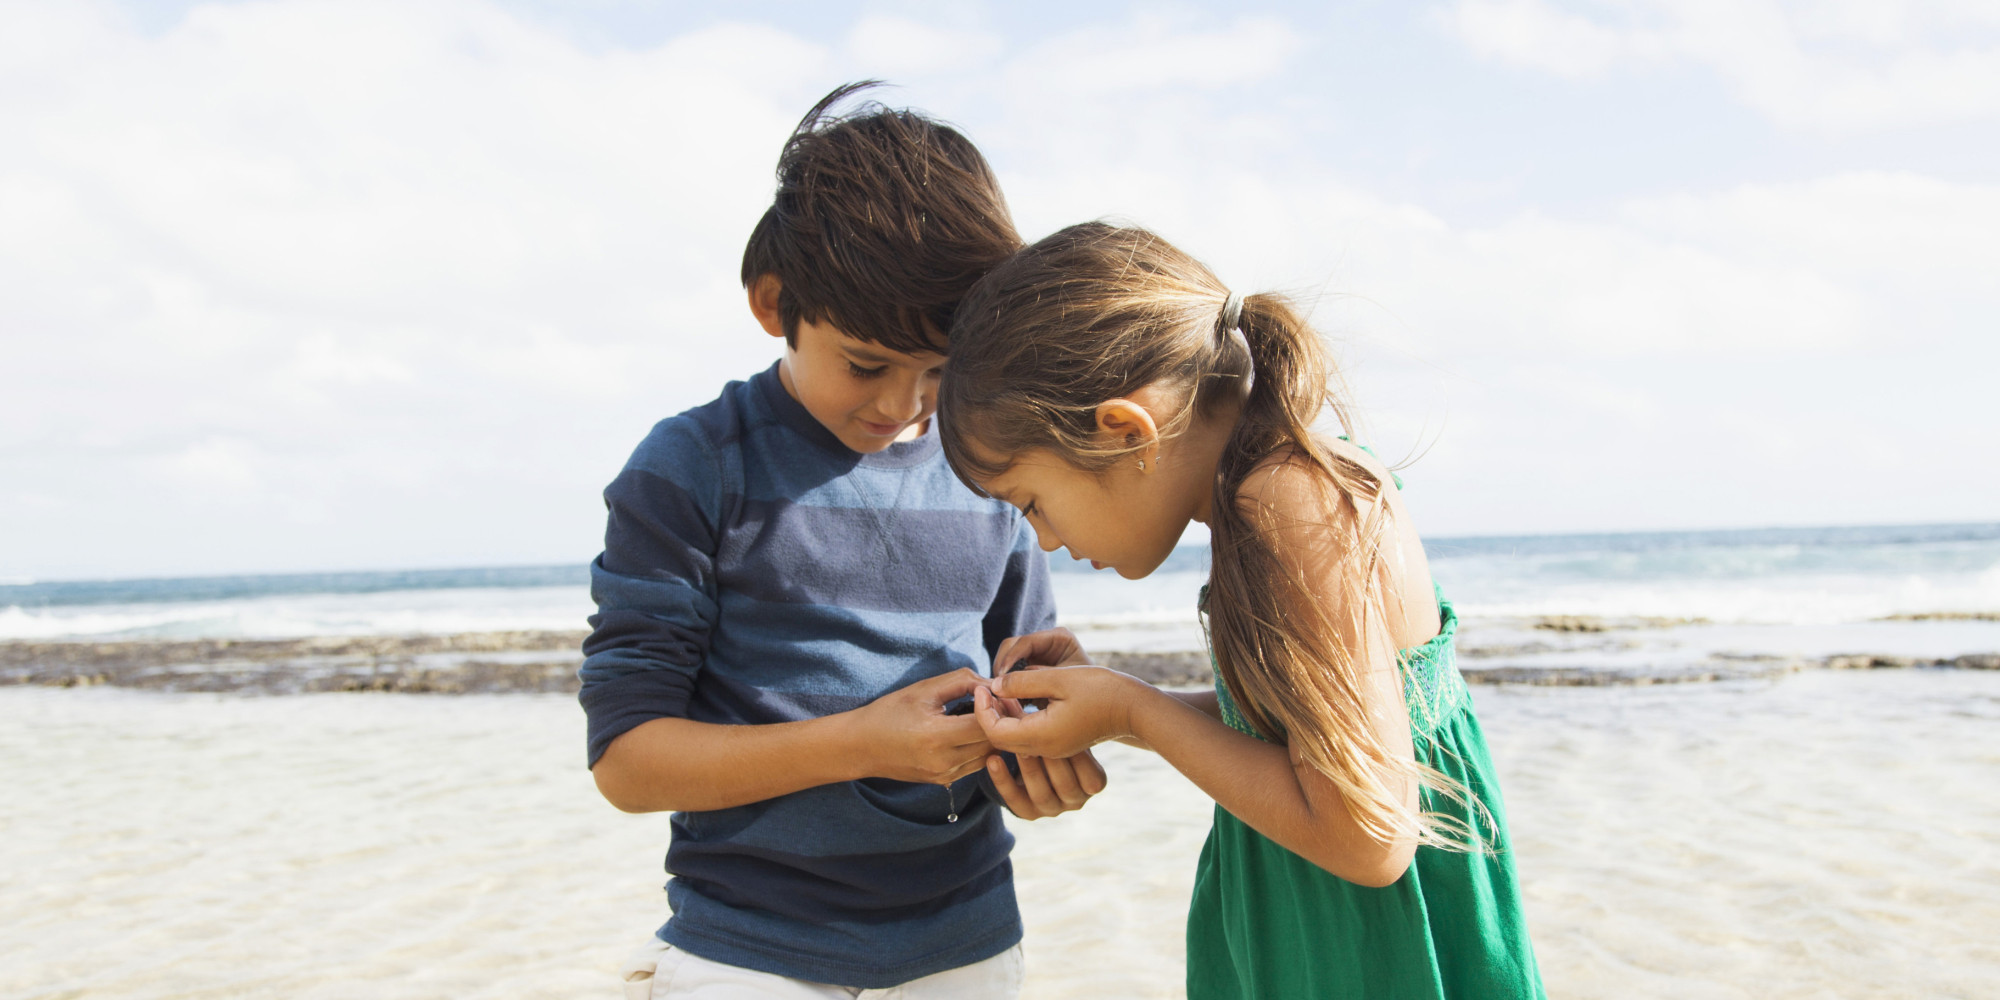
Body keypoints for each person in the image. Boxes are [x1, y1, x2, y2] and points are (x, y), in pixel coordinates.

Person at [580, 84, 1106, 999]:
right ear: (774, 303)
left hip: (970, 944)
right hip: (745, 952)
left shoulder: (993, 463)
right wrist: (859, 744)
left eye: (940, 372)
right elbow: (627, 762)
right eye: (866, 364)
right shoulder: (693, 467)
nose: (901, 406)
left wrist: (1043, 743)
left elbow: (1015, 689)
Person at [937, 222, 1546, 998]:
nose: (1043, 540)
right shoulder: (1269, 489)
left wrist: (1135, 713)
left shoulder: (1287, 502)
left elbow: (1369, 836)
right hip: (1322, 932)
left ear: (1127, 432)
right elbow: (1307, 737)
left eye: (1032, 502)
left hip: (1367, 957)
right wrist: (1117, 707)